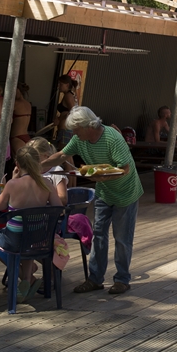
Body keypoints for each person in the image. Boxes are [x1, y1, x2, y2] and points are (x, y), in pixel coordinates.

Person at [40, 106, 142, 296]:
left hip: (126, 193)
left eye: (76, 129)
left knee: (122, 238)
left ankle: (122, 280)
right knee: (98, 235)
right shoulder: (80, 140)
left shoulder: (112, 138)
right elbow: (61, 155)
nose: (74, 133)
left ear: (88, 126)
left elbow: (125, 169)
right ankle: (95, 279)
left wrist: (102, 178)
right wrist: (39, 166)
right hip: (104, 193)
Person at [0, 142, 63, 303]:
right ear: (38, 162)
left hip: (14, 240)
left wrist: (13, 179)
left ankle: (24, 277)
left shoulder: (12, 184)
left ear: (17, 164)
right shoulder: (46, 183)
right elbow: (59, 209)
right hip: (39, 239)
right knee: (29, 236)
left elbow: (0, 206)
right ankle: (26, 279)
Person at [27, 136, 70, 203]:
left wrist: (43, 198)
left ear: (46, 155)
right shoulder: (29, 171)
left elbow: (63, 198)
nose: (31, 160)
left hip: (51, 208)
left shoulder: (57, 171)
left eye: (35, 157)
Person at [54, 75, 78, 145]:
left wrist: (59, 119)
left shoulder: (68, 96)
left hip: (65, 130)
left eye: (61, 84)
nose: (58, 86)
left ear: (67, 85)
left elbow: (73, 112)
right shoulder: (68, 95)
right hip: (65, 129)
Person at [10, 83, 32, 156]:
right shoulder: (28, 104)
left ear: (18, 90)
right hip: (26, 136)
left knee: (19, 160)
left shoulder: (15, 104)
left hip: (16, 137)